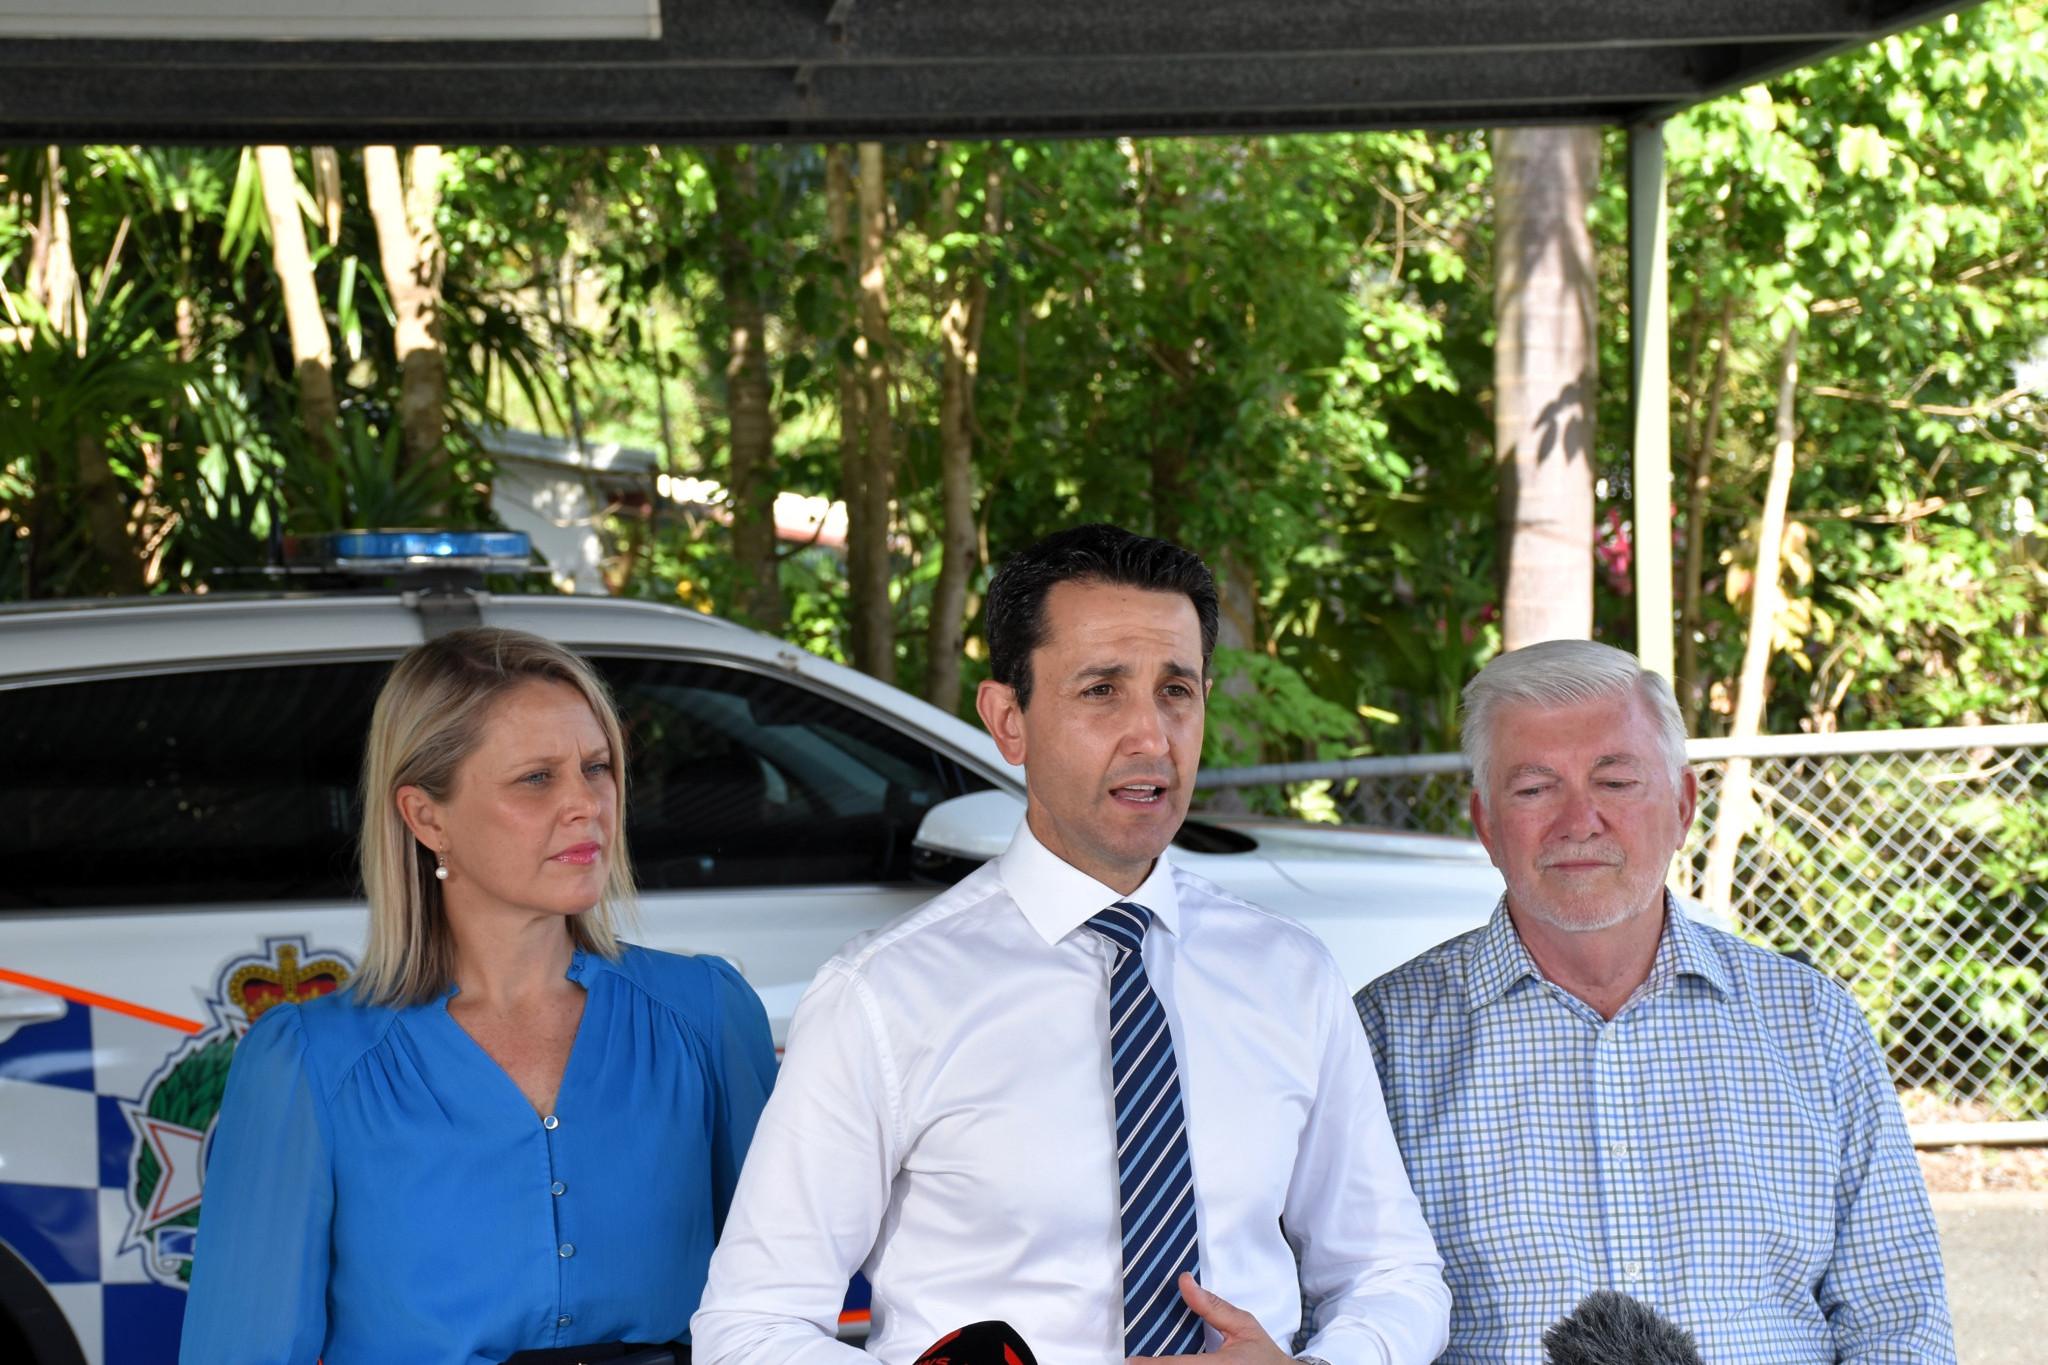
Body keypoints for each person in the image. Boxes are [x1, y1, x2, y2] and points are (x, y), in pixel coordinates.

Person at [693, 525, 1449, 1365]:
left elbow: (1391, 1271)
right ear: (1008, 721)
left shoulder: (1289, 973)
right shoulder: (882, 994)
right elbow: (751, 1327)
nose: (1151, 736)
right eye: (1101, 690)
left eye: (1177, 690)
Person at [182, 628, 778, 1365]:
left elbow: (778, 1304)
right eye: (536, 778)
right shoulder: (310, 1063)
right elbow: (241, 1351)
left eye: (597, 768)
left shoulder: (706, 1013)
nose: (585, 804)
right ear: (427, 816)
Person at [1355, 639, 1955, 1364]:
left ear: (1683, 803)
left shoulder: (1811, 1023)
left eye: (1615, 781)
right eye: (1535, 787)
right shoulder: (1385, 1040)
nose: (1580, 820)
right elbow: (1349, 1306)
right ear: (1486, 824)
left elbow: (1898, 1318)